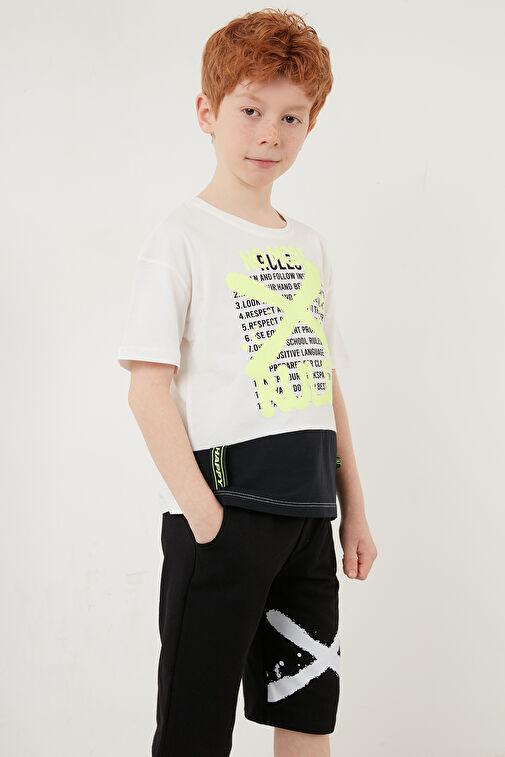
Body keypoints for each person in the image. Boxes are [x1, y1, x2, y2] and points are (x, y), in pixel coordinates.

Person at [117, 8, 377, 757]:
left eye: (291, 117)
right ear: (208, 112)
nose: (270, 134)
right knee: (195, 729)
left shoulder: (309, 245)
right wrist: (206, 519)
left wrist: (353, 511)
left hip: (310, 520)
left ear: (310, 124)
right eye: (251, 111)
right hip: (224, 515)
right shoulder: (181, 237)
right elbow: (146, 388)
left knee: (308, 713)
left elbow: (323, 384)